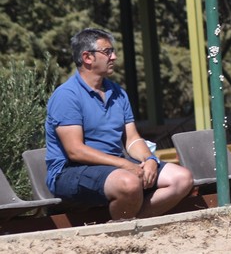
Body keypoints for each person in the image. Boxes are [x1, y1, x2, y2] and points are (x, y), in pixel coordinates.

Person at [45, 28, 193, 220]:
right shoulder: (66, 96)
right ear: (87, 57)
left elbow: (132, 139)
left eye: (113, 51)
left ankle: (129, 223)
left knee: (182, 179)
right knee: (129, 183)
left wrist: (149, 160)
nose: (114, 57)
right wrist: (125, 164)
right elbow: (76, 151)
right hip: (70, 172)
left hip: (114, 167)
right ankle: (122, 233)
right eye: (107, 52)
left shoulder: (118, 93)